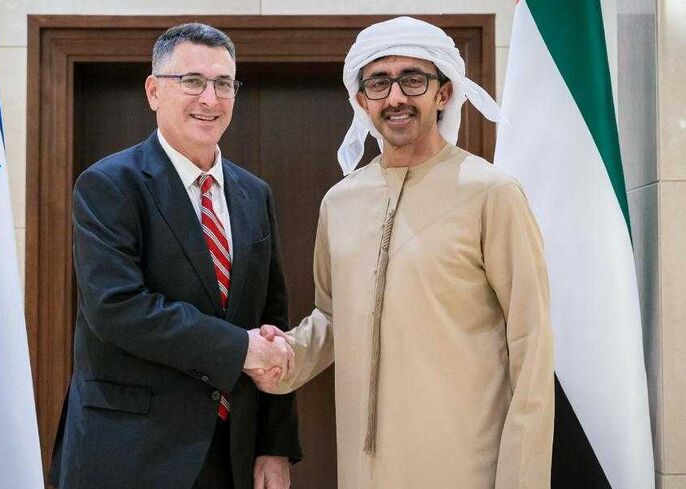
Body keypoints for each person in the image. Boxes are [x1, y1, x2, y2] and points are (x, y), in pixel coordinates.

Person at [247, 16, 554, 489]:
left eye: (413, 79)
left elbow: (531, 346)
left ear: (444, 93)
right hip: (361, 470)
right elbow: (332, 318)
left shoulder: (493, 194)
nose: (395, 97)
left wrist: (522, 479)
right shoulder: (341, 201)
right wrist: (285, 357)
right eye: (379, 82)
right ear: (361, 99)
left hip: (466, 467)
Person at [50, 23, 301, 489]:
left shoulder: (254, 193)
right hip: (130, 452)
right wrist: (241, 348)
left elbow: (273, 319)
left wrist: (274, 443)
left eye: (224, 84)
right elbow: (118, 309)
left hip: (232, 453)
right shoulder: (109, 185)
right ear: (153, 91)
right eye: (191, 81)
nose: (210, 98)